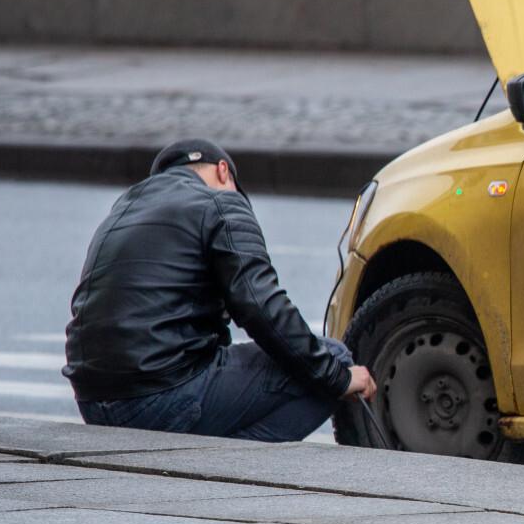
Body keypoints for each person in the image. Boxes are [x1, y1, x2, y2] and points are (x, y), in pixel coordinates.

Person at [63, 139, 376, 441]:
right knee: (335, 359)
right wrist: (338, 377)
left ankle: (210, 457)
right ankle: (227, 463)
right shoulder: (221, 202)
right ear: (223, 171)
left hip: (93, 402)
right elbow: (261, 307)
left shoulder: (121, 212)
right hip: (159, 398)